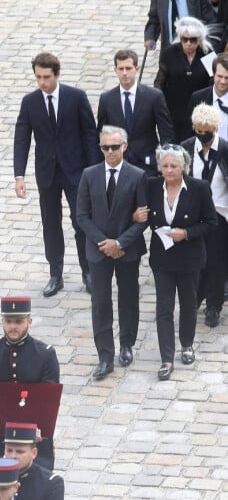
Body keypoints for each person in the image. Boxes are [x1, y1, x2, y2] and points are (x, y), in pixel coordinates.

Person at [14, 52, 99, 297]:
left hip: (76, 171)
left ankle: (88, 271)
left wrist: (92, 171)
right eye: (38, 77)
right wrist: (19, 175)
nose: (42, 82)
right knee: (50, 224)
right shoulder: (30, 102)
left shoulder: (76, 97)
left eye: (46, 77)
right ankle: (56, 273)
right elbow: (22, 139)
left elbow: (90, 135)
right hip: (47, 173)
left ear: (57, 74)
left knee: (81, 222)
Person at [134, 145, 217, 380]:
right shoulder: (151, 186)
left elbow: (211, 222)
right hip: (163, 257)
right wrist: (135, 216)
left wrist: (187, 233)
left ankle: (187, 344)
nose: (169, 170)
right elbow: (140, 214)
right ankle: (166, 358)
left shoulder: (199, 189)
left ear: (184, 167)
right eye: (165, 166)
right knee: (164, 307)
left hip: (189, 257)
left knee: (188, 304)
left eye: (174, 166)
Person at [76, 126, 148, 381]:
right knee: (100, 303)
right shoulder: (89, 175)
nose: (110, 152)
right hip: (98, 251)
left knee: (128, 297)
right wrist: (105, 243)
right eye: (105, 147)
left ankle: (127, 344)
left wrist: (120, 243)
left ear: (124, 147)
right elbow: (82, 216)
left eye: (114, 147)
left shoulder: (138, 176)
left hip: (126, 251)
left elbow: (143, 218)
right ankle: (105, 356)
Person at [0, 297, 60, 467]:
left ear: (29, 321)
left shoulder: (45, 355)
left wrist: (41, 429)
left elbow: (48, 400)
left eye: (18, 321)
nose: (13, 327)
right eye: (9, 321)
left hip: (33, 439)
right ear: (2, 322)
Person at [181, 104, 228, 327]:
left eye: (206, 130)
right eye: (198, 130)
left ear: (215, 128)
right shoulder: (187, 148)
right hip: (194, 215)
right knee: (195, 259)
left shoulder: (226, 150)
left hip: (220, 213)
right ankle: (195, 297)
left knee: (216, 261)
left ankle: (214, 305)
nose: (202, 135)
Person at [98, 49, 174, 177]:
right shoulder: (107, 99)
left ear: (136, 68)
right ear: (115, 70)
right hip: (118, 164)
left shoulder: (153, 97)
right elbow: (101, 134)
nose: (125, 73)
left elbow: (166, 132)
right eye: (121, 69)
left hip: (147, 165)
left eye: (128, 68)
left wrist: (166, 160)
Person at [155, 17, 214, 142]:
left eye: (192, 40)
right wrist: (160, 105)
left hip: (200, 111)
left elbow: (213, 81)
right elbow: (160, 81)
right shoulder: (169, 53)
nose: (188, 43)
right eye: (184, 39)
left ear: (199, 40)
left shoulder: (207, 53)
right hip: (174, 109)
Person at [3, 422, 65, 500]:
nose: (13, 456)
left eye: (20, 452)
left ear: (34, 453)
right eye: (9, 450)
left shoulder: (52, 484)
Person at [189, 52, 228, 140]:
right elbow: (190, 131)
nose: (223, 81)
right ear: (213, 74)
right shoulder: (198, 98)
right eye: (220, 76)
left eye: (227, 78)